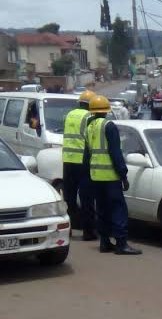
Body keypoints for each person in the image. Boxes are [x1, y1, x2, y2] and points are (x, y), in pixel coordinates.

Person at [86, 95, 142, 255]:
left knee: (102, 209)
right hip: (110, 176)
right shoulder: (109, 126)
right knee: (118, 209)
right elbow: (115, 152)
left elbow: (89, 152)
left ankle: (104, 242)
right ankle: (121, 244)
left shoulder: (90, 126)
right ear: (106, 110)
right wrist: (123, 175)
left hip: (96, 175)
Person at [62, 90, 97, 241]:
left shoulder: (70, 114)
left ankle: (67, 230)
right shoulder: (89, 116)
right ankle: (88, 232)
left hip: (68, 160)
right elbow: (91, 138)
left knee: (69, 198)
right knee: (86, 198)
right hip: (82, 160)